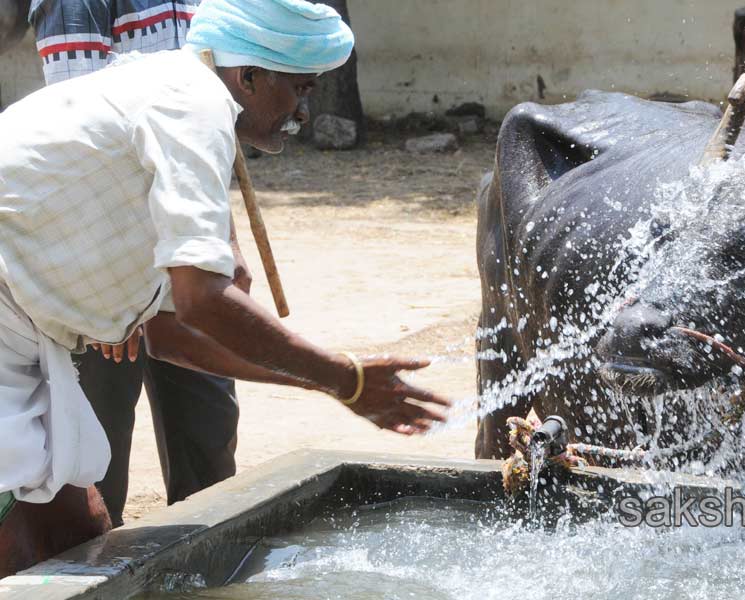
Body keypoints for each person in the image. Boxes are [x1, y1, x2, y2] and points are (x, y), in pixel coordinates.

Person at [0, 0, 450, 577]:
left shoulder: (176, 91)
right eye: (300, 90)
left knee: (77, 539)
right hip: (14, 333)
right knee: (40, 552)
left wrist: (338, 384)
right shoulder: (194, 103)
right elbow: (201, 299)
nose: (303, 114)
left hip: (25, 336)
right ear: (250, 76)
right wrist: (342, 376)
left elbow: (170, 334)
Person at [28, 0, 243, 530]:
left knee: (210, 436)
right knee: (98, 458)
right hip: (108, 255)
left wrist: (226, 238)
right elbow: (79, 154)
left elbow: (201, 139)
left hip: (183, 251)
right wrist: (115, 294)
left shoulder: (197, 6)